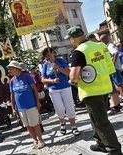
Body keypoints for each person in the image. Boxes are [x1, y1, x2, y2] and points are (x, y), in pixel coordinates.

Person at [67, 26, 122, 155]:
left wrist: (72, 81)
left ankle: (114, 150)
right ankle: (100, 143)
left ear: (73, 39)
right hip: (104, 87)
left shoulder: (79, 51)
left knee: (101, 122)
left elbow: (74, 76)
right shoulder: (98, 46)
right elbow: (108, 65)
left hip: (91, 91)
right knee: (95, 119)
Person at [41, 47, 80, 136]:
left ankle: (73, 126)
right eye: (45, 56)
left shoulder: (61, 61)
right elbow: (43, 79)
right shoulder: (45, 65)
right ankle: (62, 123)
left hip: (65, 86)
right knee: (59, 108)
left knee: (69, 106)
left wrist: (58, 67)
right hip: (54, 89)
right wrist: (52, 81)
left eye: (48, 54)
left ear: (53, 53)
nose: (47, 57)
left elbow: (68, 73)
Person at [7, 60, 45, 149]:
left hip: (31, 105)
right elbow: (12, 95)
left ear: (16, 69)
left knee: (35, 124)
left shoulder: (26, 76)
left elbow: (35, 90)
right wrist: (13, 108)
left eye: (11, 69)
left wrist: (38, 102)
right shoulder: (12, 81)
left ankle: (40, 140)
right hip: (20, 107)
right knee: (27, 125)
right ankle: (35, 140)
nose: (10, 71)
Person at [100, 34, 122, 115]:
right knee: (116, 85)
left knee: (118, 84)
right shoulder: (108, 45)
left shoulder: (109, 46)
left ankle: (118, 103)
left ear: (106, 39)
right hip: (114, 67)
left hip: (114, 68)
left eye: (102, 40)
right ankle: (118, 104)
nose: (101, 41)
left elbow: (116, 53)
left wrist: (112, 63)